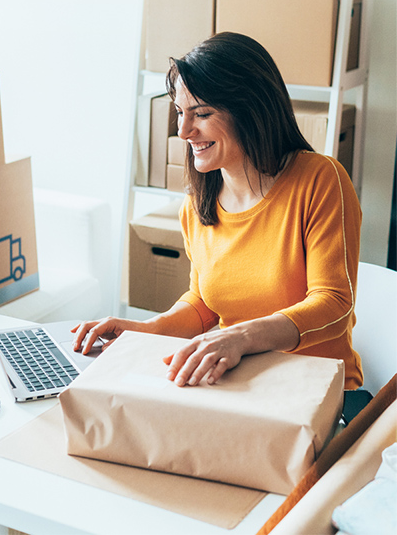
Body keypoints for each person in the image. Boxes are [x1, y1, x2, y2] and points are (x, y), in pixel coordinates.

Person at [72, 31, 364, 400]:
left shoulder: (321, 180)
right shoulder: (197, 204)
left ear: (251, 109)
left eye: (202, 113)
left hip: (318, 391)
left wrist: (240, 337)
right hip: (239, 385)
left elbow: (334, 304)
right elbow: (205, 305)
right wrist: (143, 331)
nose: (183, 131)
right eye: (180, 112)